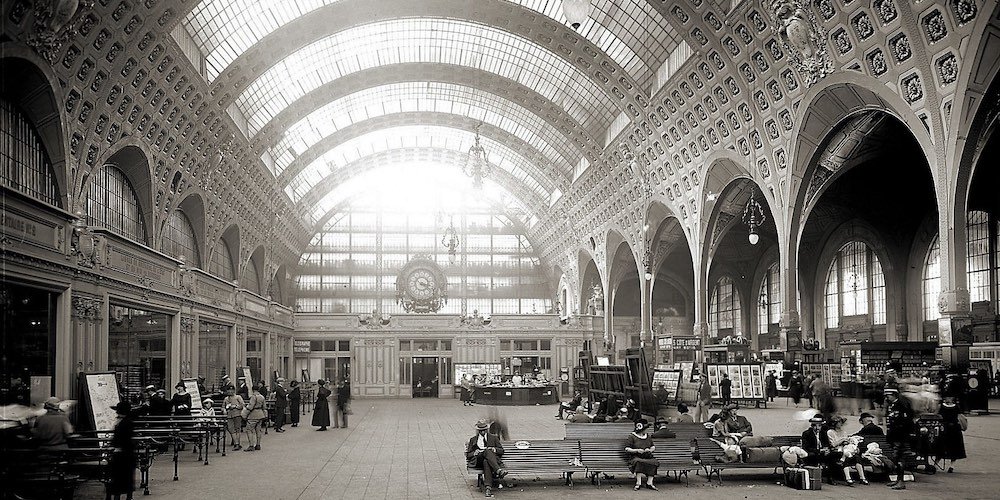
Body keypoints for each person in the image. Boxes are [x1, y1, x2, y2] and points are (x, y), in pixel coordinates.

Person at [466, 419, 506, 498]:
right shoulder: (473, 439)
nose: (483, 432)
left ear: (487, 429)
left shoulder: (493, 438)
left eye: (484, 430)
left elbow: (501, 450)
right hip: (478, 460)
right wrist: (474, 453)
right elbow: (468, 454)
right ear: (478, 431)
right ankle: (498, 470)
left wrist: (495, 449)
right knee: (486, 452)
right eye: (481, 431)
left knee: (486, 461)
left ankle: (488, 488)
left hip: (488, 460)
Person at [884, 387, 913, 490]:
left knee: (900, 458)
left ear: (894, 395)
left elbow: (906, 422)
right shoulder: (892, 405)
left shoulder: (902, 405)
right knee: (895, 458)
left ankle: (901, 481)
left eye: (888, 395)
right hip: (893, 435)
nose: (887, 397)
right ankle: (897, 479)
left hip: (901, 436)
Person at [107, 401, 136, 500]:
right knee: (125, 478)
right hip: (126, 454)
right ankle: (127, 496)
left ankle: (119, 496)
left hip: (123, 454)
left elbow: (123, 439)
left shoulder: (125, 423)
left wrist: (115, 446)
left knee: (119, 478)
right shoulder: (127, 421)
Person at [827, 415, 869, 486]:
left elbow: (847, 441)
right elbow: (833, 444)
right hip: (836, 451)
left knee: (856, 457)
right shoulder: (830, 432)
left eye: (841, 422)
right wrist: (842, 440)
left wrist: (848, 442)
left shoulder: (843, 432)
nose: (841, 424)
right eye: (839, 422)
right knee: (845, 456)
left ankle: (862, 478)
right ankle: (848, 478)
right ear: (834, 423)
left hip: (845, 449)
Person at [624, 419, 659, 490]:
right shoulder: (632, 436)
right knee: (638, 462)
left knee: (654, 462)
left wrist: (650, 450)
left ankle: (649, 483)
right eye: (645, 429)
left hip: (647, 456)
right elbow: (627, 448)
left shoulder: (647, 436)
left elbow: (653, 446)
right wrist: (636, 450)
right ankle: (638, 483)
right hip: (635, 456)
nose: (646, 430)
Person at [936, 396, 966, 473]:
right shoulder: (956, 407)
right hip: (954, 429)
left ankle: (949, 466)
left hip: (947, 429)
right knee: (950, 447)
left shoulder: (942, 407)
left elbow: (938, 416)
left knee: (944, 447)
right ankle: (948, 465)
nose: (947, 399)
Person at [243, 385, 266, 451]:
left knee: (249, 429)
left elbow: (251, 406)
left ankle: (251, 445)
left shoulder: (253, 397)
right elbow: (264, 406)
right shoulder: (262, 396)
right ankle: (258, 444)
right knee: (258, 430)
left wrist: (246, 409)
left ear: (253, 390)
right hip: (260, 414)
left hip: (253, 414)